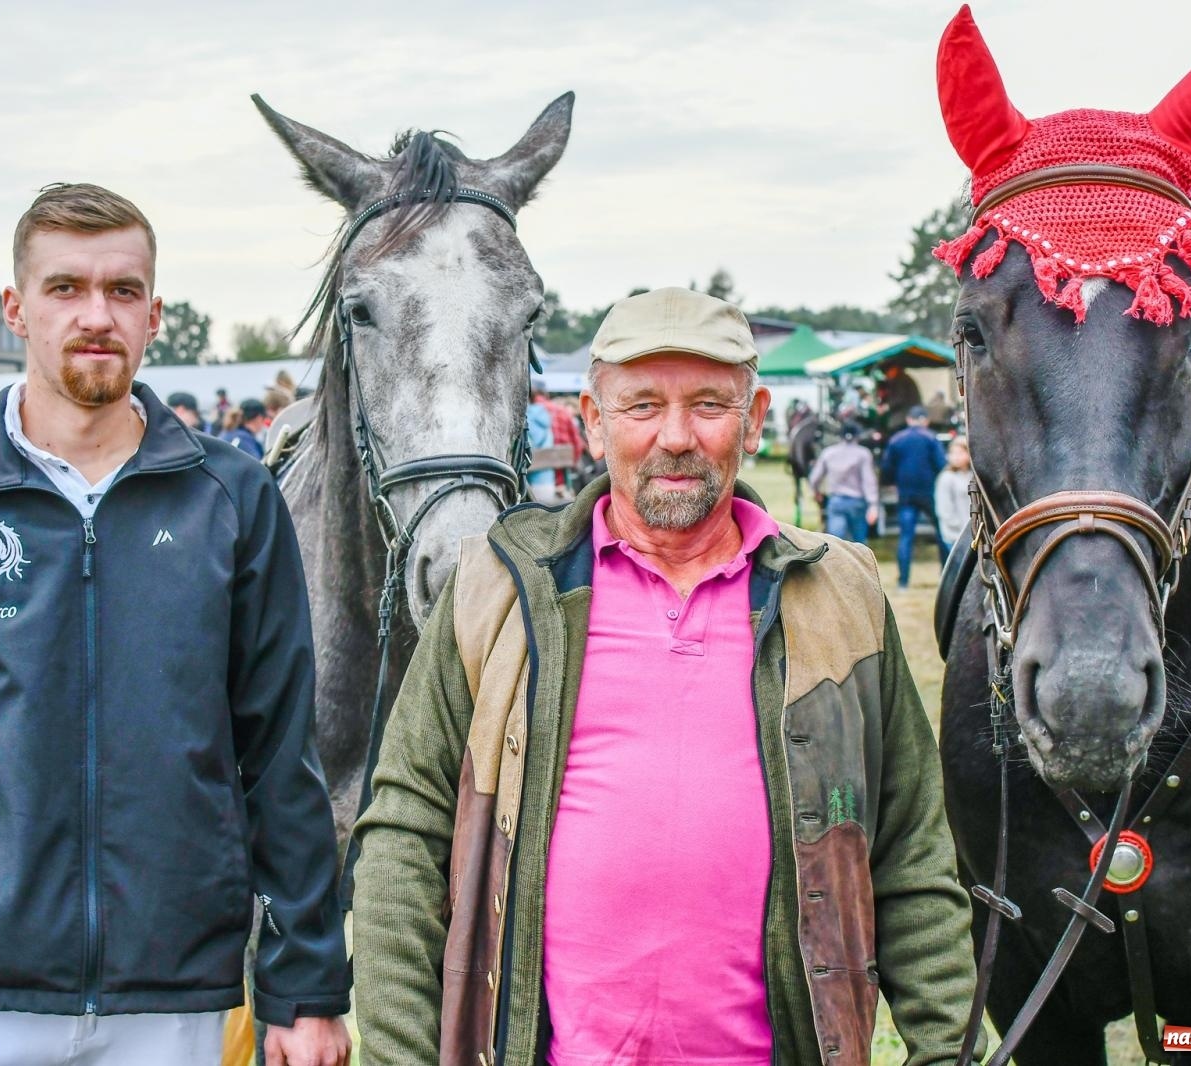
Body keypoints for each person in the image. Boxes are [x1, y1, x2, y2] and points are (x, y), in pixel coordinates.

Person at [0, 182, 351, 1066]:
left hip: (168, 990)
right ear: (17, 308)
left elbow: (281, 754)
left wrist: (308, 986)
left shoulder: (233, 500)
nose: (96, 314)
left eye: (122, 291)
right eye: (65, 288)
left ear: (155, 314)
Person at [351, 287, 978, 1066]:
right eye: (642, 405)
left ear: (754, 420)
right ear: (592, 418)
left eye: (709, 404)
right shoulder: (500, 589)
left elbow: (912, 850)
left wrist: (945, 1048)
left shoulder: (841, 593)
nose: (675, 437)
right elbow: (406, 832)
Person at [881, 405, 947, 588]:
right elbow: (942, 464)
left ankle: (903, 581)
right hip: (930, 493)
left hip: (906, 494)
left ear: (908, 420)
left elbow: (887, 468)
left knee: (906, 537)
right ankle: (945, 576)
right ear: (925, 420)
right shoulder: (931, 438)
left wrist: (892, 482)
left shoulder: (897, 439)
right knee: (942, 534)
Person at [808, 422, 878, 544]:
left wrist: (815, 491)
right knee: (859, 544)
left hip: (836, 501)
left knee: (836, 543)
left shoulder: (828, 453)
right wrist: (873, 505)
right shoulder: (863, 454)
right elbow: (869, 481)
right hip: (857, 502)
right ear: (858, 436)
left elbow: (814, 478)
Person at [532, 379, 586, 493]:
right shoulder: (562, 411)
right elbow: (577, 445)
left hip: (532, 484)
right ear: (545, 393)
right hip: (561, 482)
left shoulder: (527, 412)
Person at [935, 436, 974, 553]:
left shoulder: (972, 476)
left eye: (961, 453)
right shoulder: (946, 478)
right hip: (955, 535)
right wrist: (958, 527)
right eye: (953, 453)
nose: (956, 457)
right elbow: (944, 509)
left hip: (973, 534)